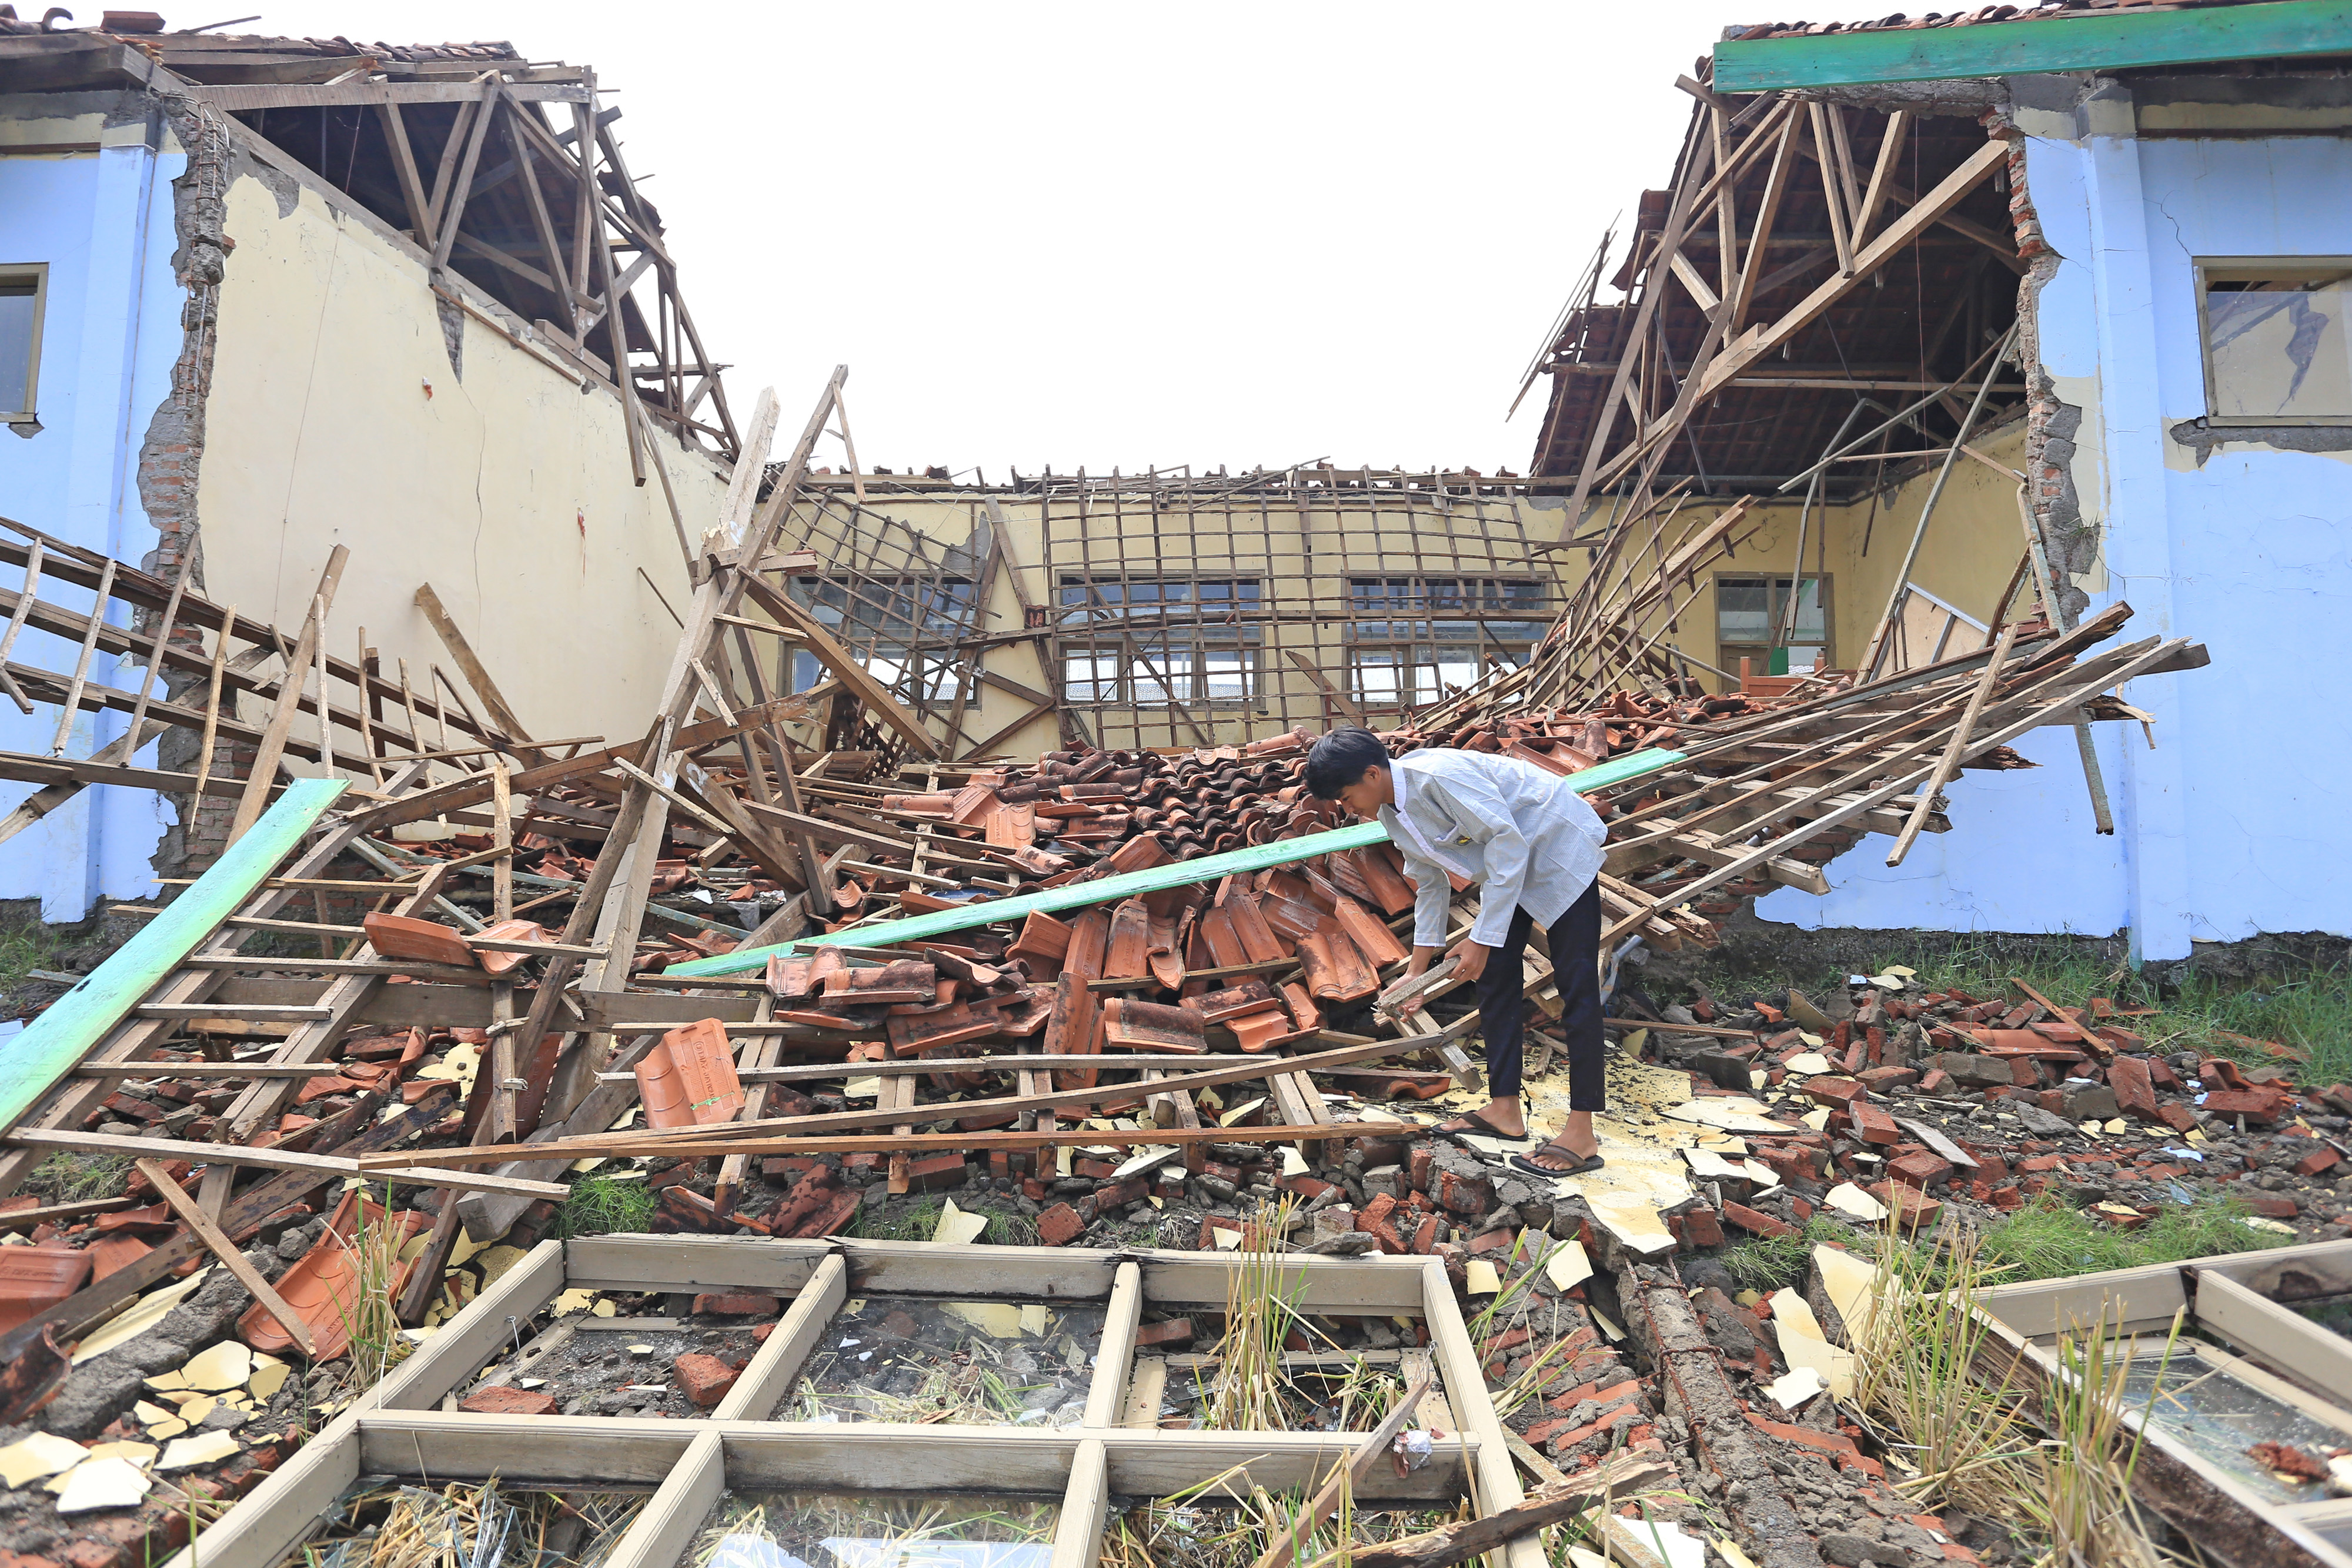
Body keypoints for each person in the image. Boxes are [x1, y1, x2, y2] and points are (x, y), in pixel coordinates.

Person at [1302, 727, 1607, 1178]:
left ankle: (1582, 1133)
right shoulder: (1390, 812)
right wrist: (1417, 974)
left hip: (1558, 845)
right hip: (1511, 870)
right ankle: (1505, 1110)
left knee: (1576, 985)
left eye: (1347, 798)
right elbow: (1430, 882)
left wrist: (1482, 937)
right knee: (1495, 978)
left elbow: (1508, 842)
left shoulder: (1437, 778)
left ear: (1372, 773)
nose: (1349, 809)